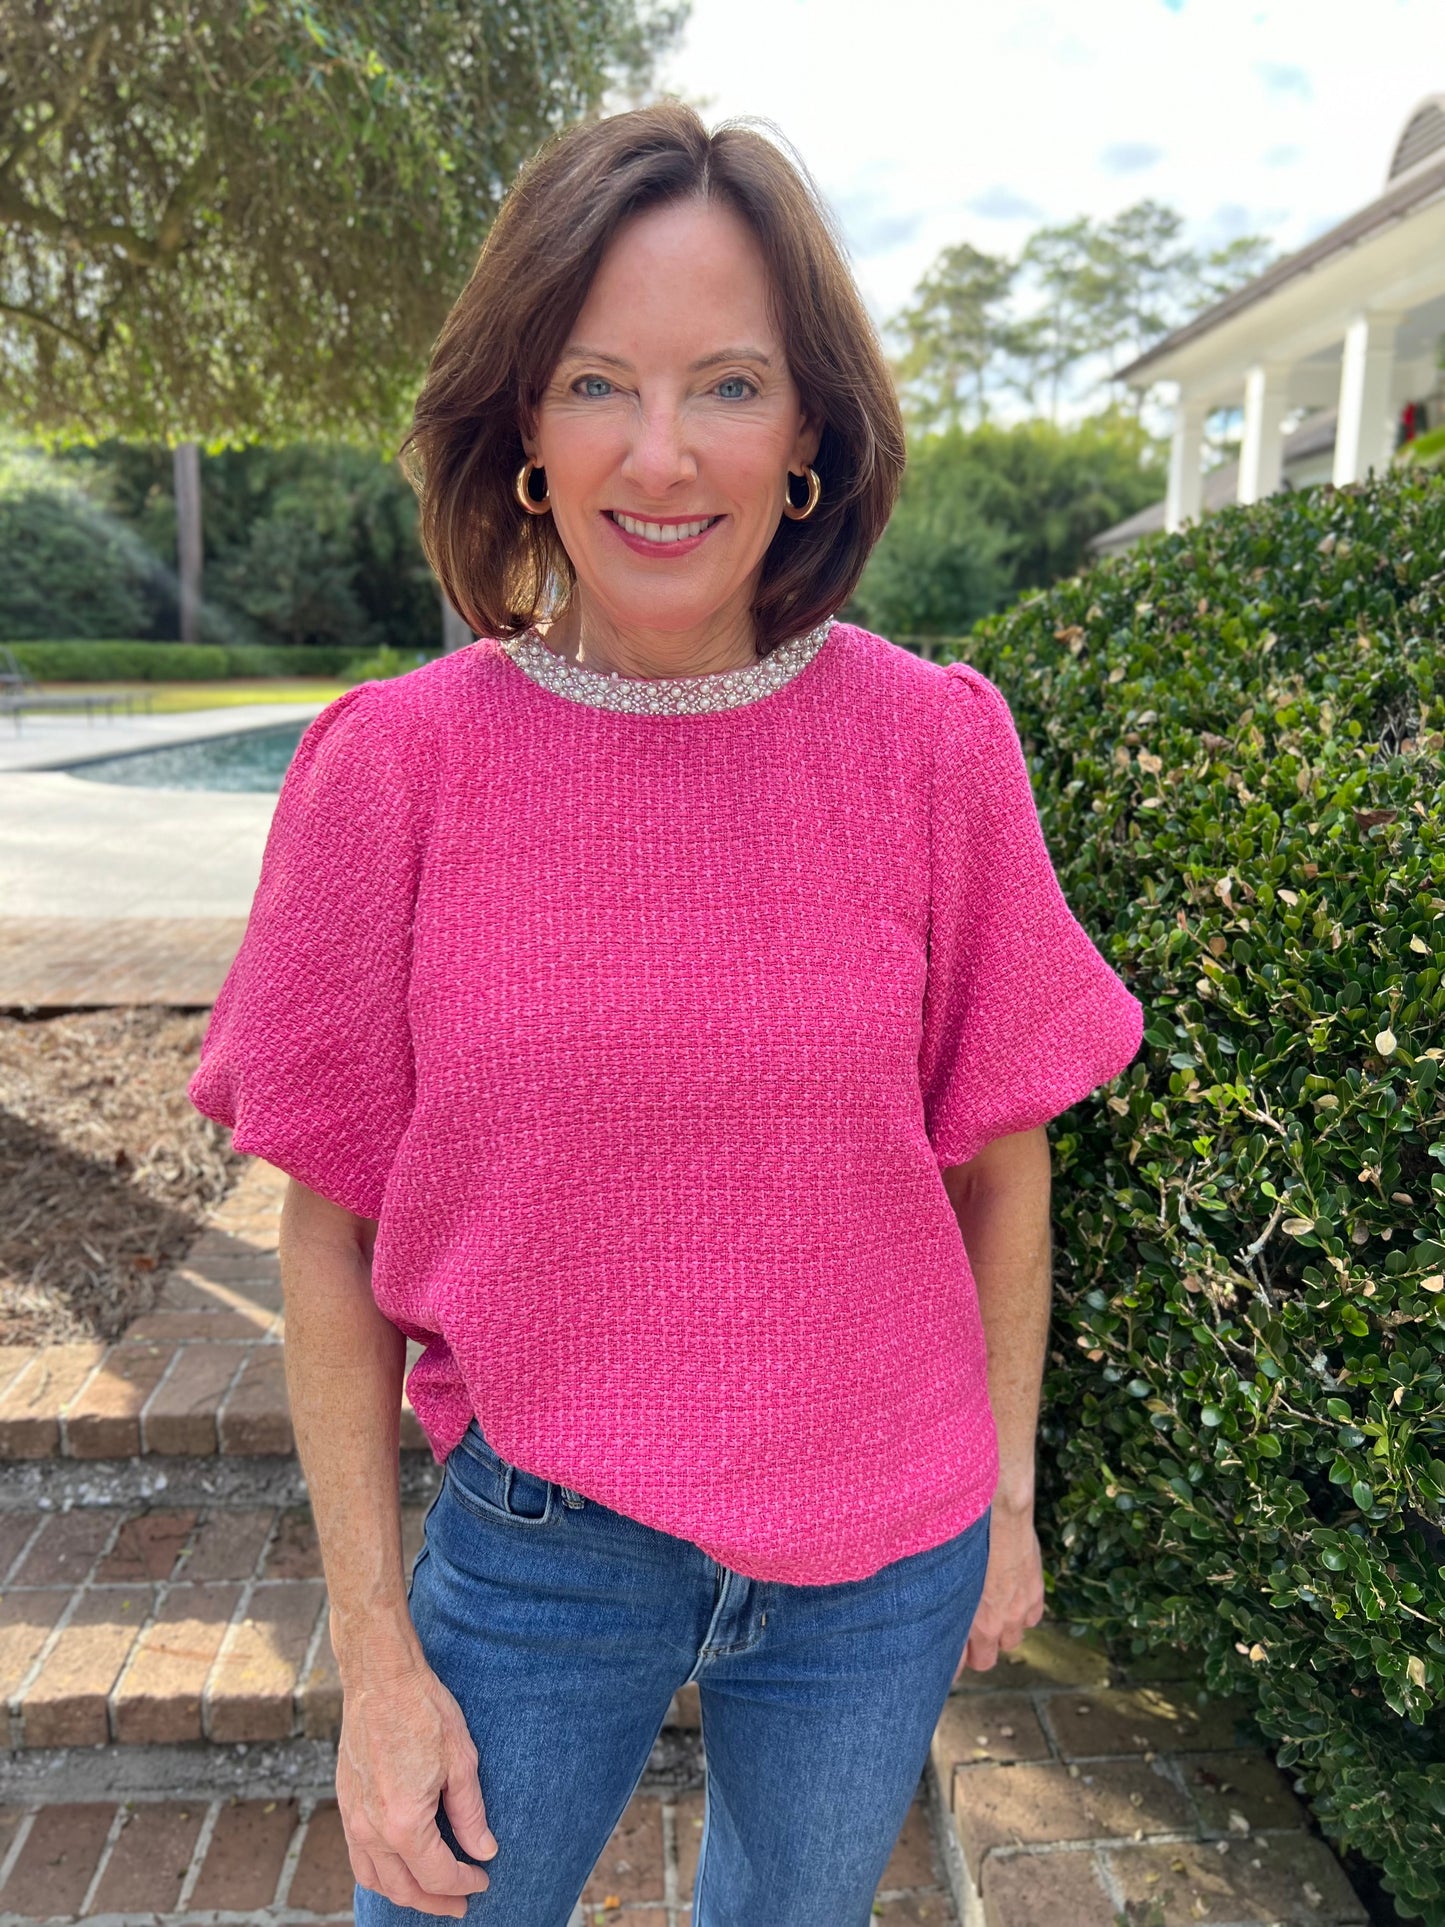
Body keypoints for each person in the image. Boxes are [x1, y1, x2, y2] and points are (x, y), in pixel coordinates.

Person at [188, 101, 1144, 1927]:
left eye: (725, 384)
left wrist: (1005, 1497)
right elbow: (331, 1231)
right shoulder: (393, 771)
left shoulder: (938, 748)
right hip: (538, 1551)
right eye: (592, 383)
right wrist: (376, 1661)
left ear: (806, 438)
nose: (658, 453)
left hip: (887, 1556)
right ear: (520, 434)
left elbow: (1000, 1165)